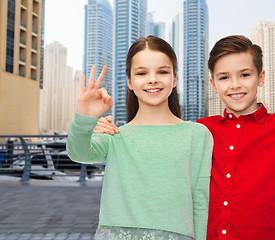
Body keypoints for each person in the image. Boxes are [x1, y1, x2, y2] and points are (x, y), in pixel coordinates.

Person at [93, 35, 275, 240]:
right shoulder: (200, 130)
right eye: (224, 77)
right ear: (213, 83)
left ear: (261, 77)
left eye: (245, 75)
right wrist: (105, 130)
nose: (235, 85)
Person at [66, 36, 213, 240]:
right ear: (129, 82)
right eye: (142, 72)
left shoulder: (197, 134)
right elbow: (78, 152)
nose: (152, 79)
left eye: (162, 71)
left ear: (175, 78)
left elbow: (201, 200)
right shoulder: (115, 135)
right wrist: (85, 117)